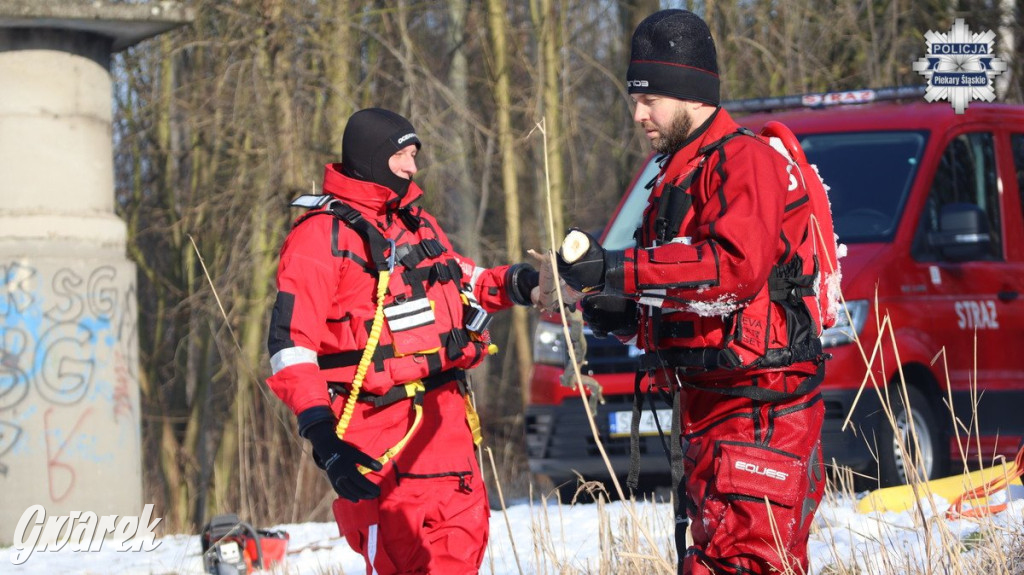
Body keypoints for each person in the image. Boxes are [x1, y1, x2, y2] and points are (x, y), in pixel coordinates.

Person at [556, 9, 832, 575]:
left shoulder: (745, 162)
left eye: (649, 98)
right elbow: (683, 288)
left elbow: (731, 273)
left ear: (688, 92)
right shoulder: (677, 174)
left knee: (748, 564)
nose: (637, 115)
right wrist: (625, 314)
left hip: (760, 412)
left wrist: (618, 270)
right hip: (711, 413)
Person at [266, 108, 541, 574]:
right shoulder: (320, 238)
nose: (413, 168)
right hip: (379, 442)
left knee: (461, 556)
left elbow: (466, 282)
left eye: (413, 156)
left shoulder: (419, 226)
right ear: (374, 158)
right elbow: (290, 346)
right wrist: (320, 434)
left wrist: (529, 284)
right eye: (403, 156)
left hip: (448, 433)